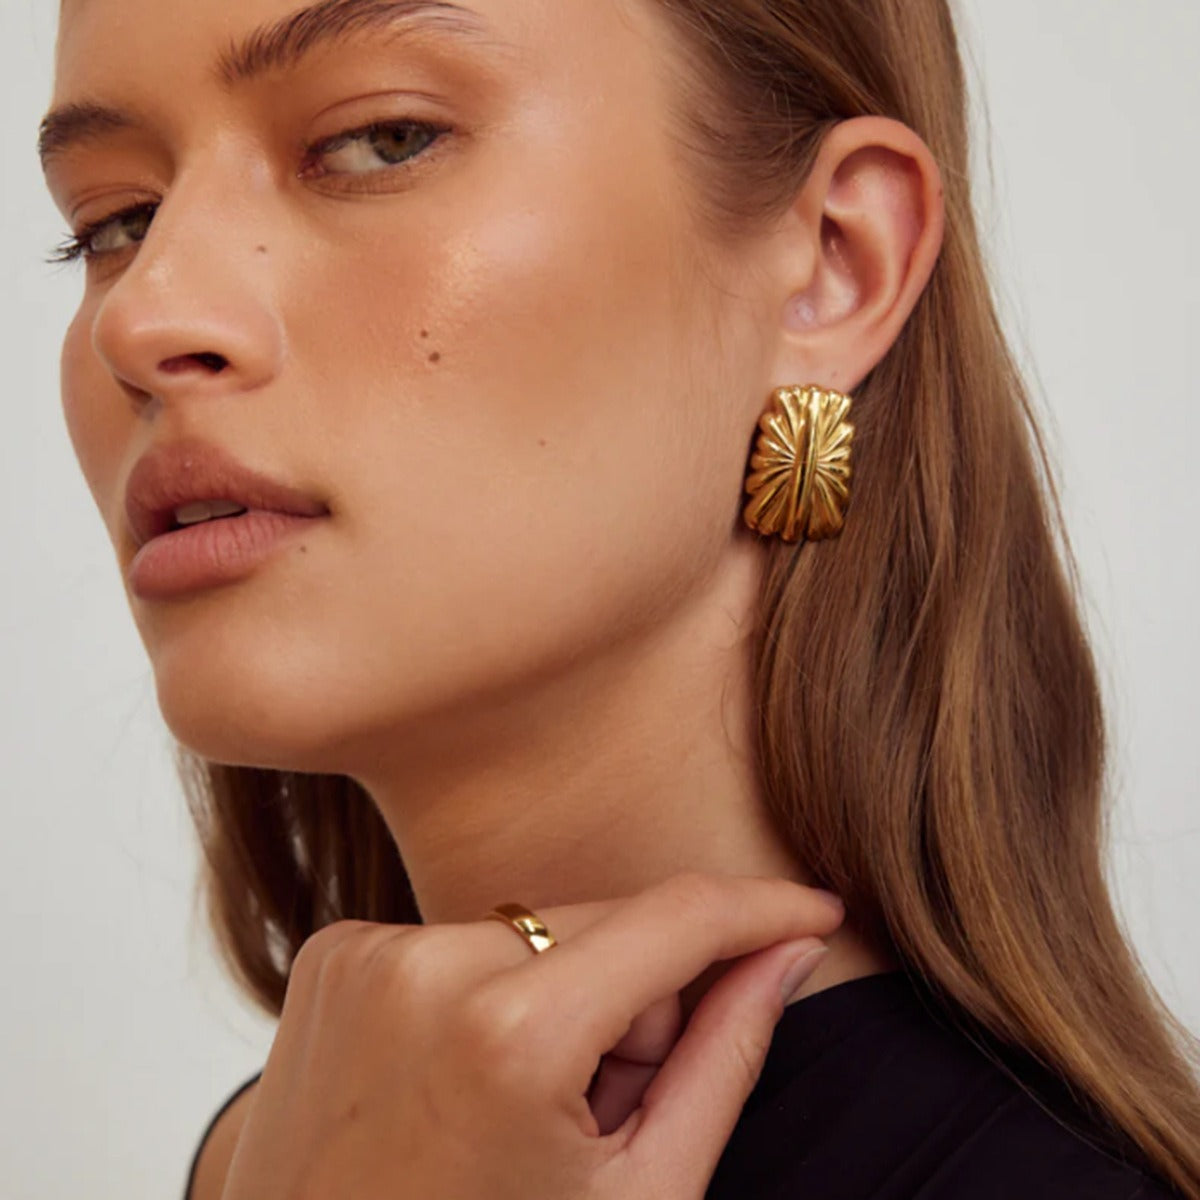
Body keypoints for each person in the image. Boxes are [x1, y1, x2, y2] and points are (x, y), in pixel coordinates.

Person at [37, 0, 1200, 1196]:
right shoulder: (282, 1159)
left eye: (381, 140)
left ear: (833, 264)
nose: (143, 315)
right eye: (114, 220)